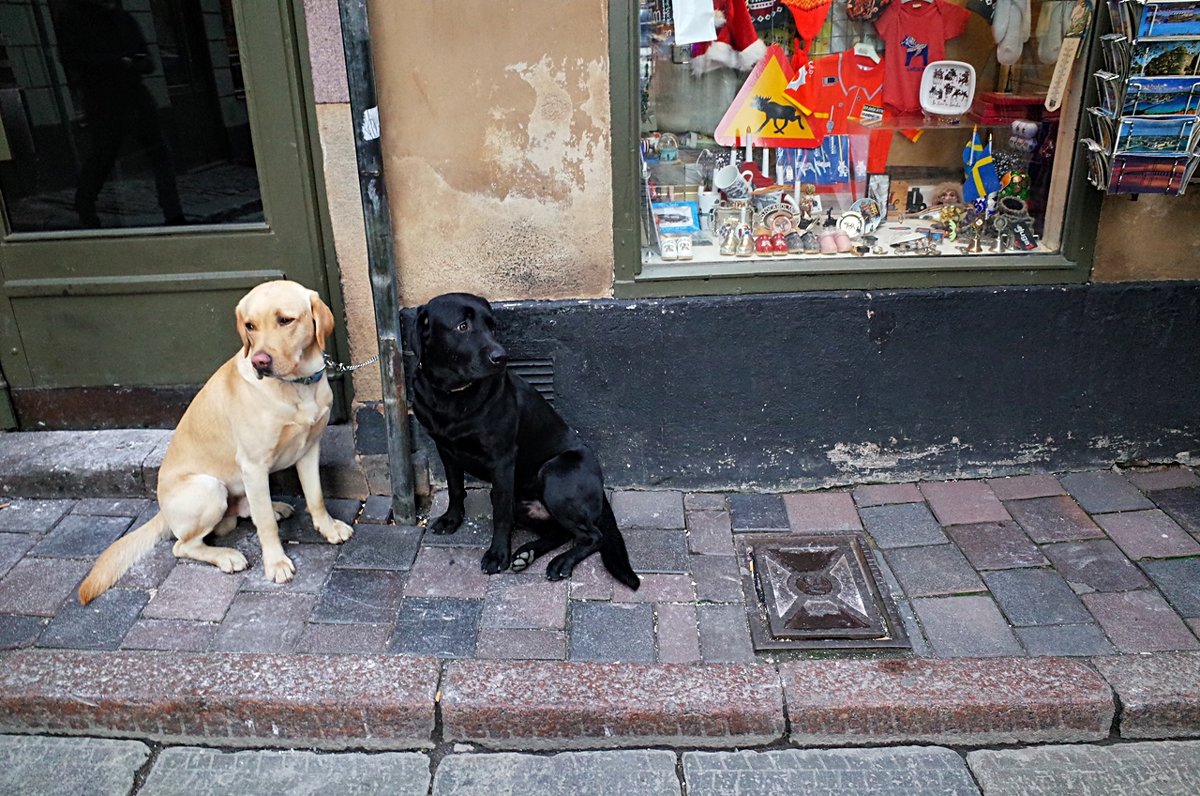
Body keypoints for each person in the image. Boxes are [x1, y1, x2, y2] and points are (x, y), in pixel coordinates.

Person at [57, 0, 184, 227]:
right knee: (103, 157)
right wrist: (117, 62)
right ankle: (85, 204)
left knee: (161, 153)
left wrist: (133, 64)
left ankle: (173, 213)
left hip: (136, 95)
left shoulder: (125, 19)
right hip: (103, 100)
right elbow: (72, 58)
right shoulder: (74, 18)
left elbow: (147, 61)